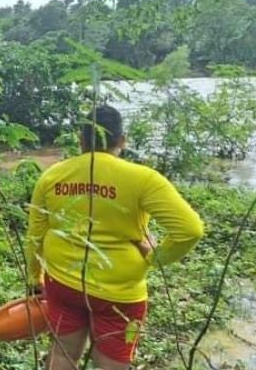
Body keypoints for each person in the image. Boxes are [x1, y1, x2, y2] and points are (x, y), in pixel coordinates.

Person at [25, 105, 205, 370]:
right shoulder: (143, 179)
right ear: (122, 139)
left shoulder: (52, 175)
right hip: (120, 295)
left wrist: (35, 276)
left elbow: (35, 235)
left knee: (63, 354)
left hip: (62, 283)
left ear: (81, 139)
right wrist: (155, 257)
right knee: (113, 363)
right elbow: (191, 230)